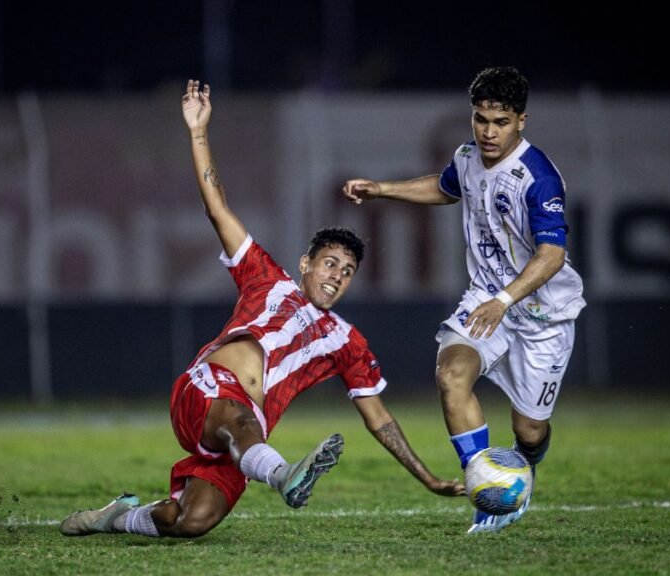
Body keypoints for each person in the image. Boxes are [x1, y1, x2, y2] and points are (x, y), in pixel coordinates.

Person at [58, 80, 463, 539]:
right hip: (206, 395)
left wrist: (426, 476)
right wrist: (197, 131)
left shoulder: (346, 342)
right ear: (306, 263)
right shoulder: (265, 278)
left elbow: (379, 419)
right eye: (330, 263)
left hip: (242, 436)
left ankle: (115, 517)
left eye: (348, 271)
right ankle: (283, 475)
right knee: (242, 420)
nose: (337, 275)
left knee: (189, 522)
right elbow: (217, 208)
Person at [343, 67, 585, 533]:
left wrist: (505, 299)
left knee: (529, 432)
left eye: (501, 122)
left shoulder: (538, 177)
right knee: (452, 376)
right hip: (484, 301)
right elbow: (447, 187)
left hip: (542, 315)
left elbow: (552, 255)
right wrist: (383, 189)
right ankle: (491, 492)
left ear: (522, 121)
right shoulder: (468, 157)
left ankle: (524, 466)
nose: (488, 132)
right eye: (481, 119)